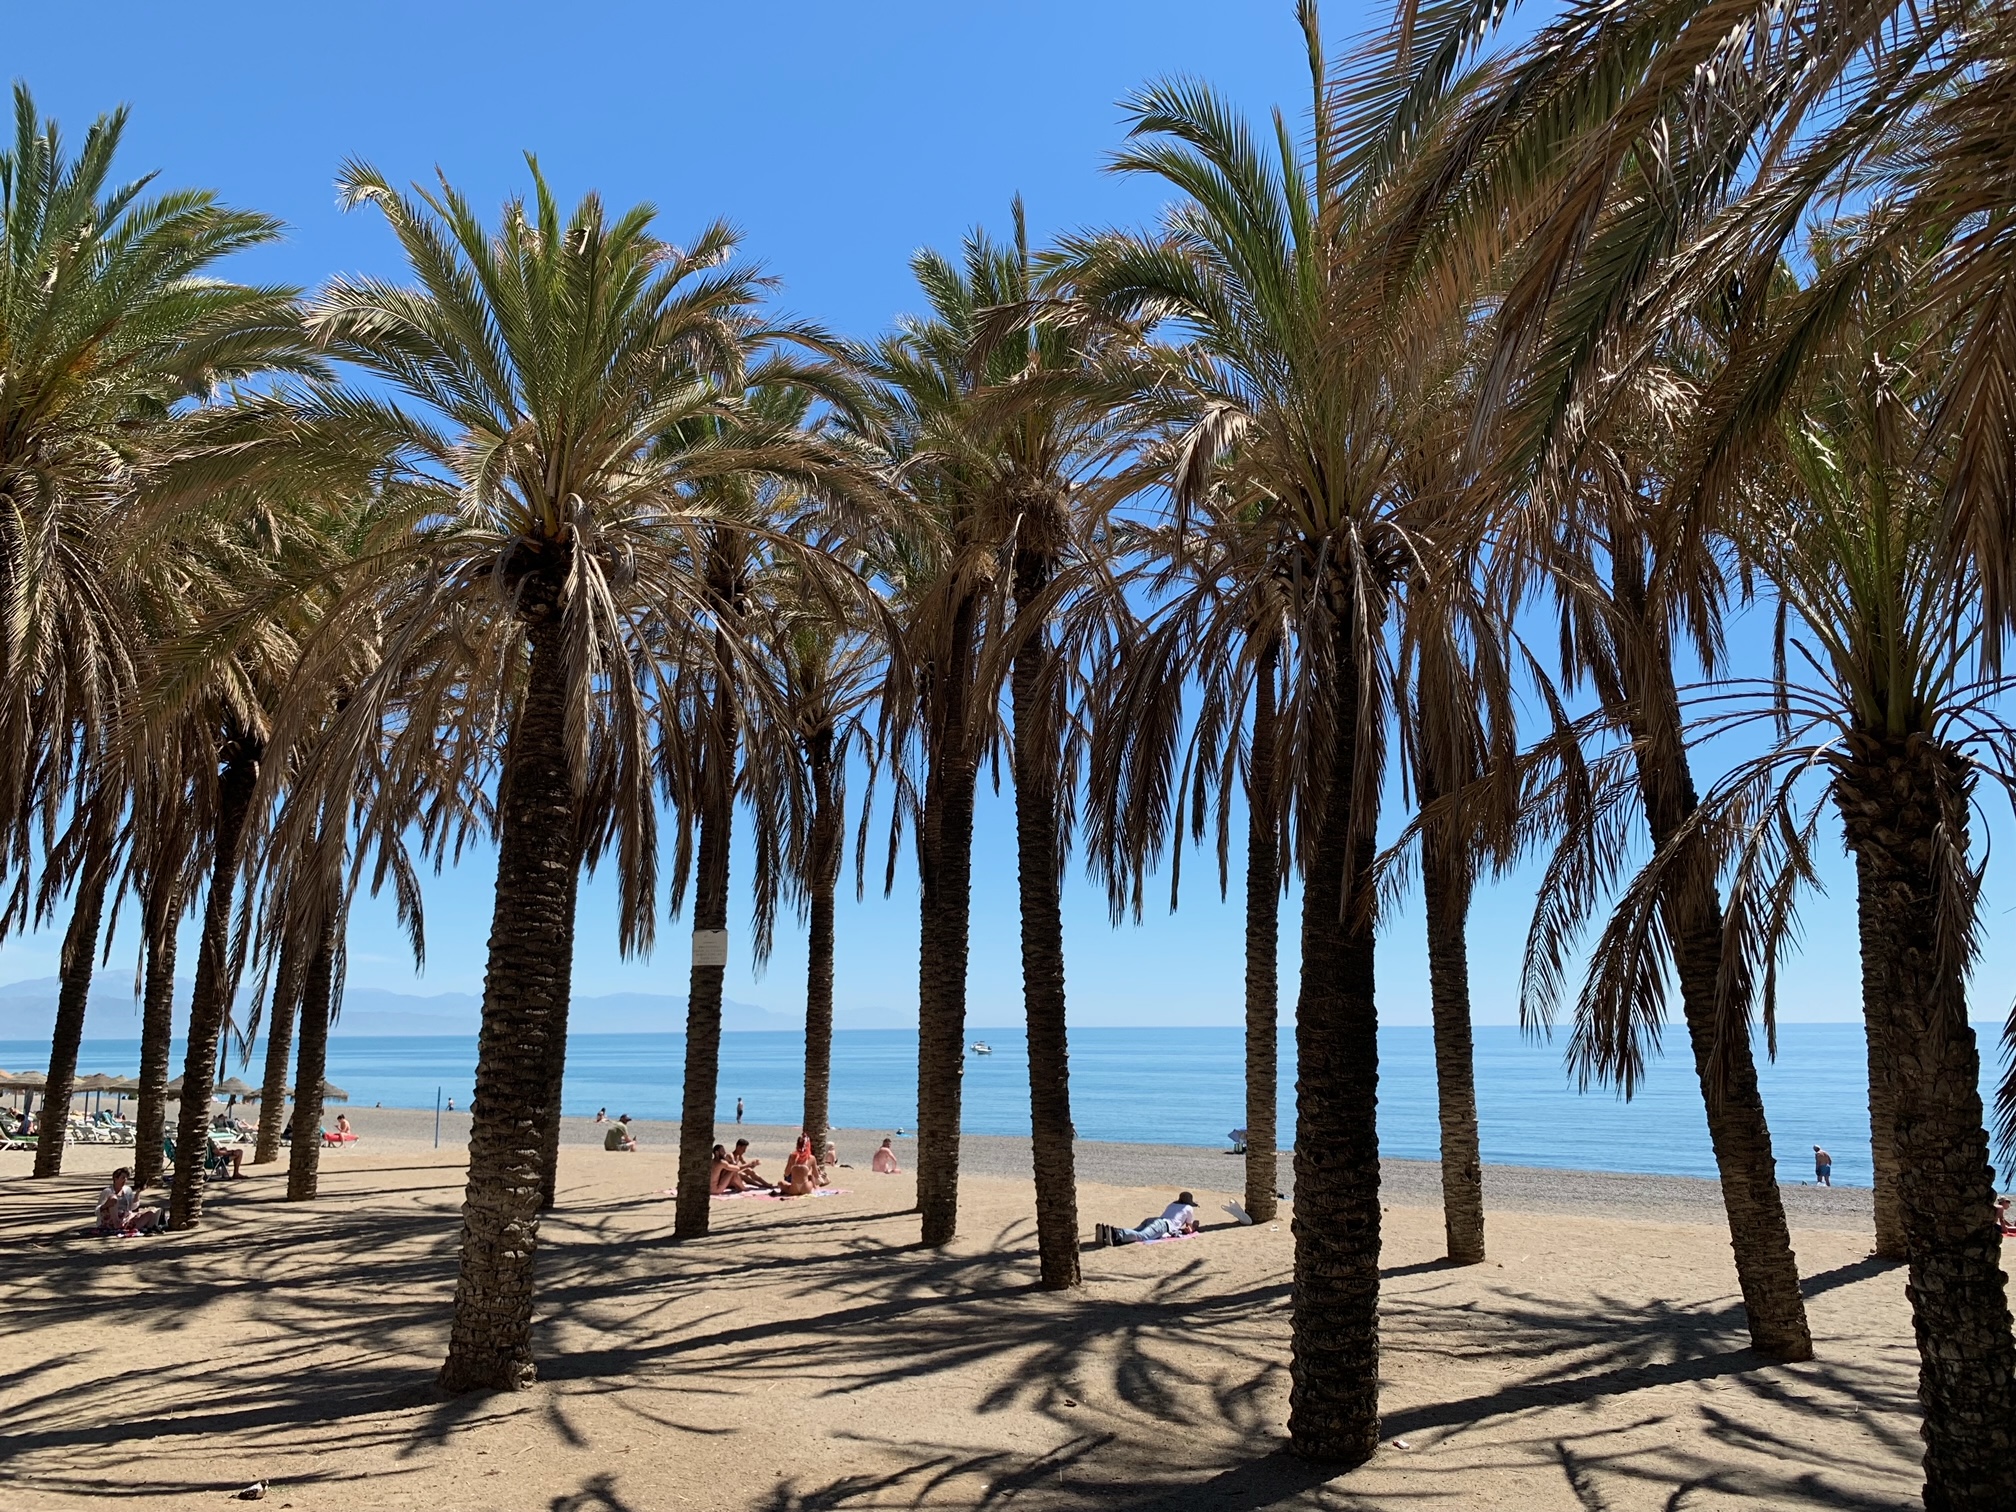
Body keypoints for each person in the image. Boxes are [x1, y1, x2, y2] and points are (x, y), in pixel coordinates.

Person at [1096, 1192, 1201, 1248]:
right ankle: (1116, 1233)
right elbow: (1189, 1227)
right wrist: (1195, 1226)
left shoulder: (1173, 1204)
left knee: (1136, 1232)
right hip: (1163, 1225)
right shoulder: (1188, 1208)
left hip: (1155, 1220)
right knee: (1142, 1236)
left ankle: (1109, 1232)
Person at [96, 1169, 159, 1237]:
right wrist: (106, 1205)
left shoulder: (127, 1190)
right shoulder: (107, 1191)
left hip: (126, 1218)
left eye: (126, 1178)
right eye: (123, 1178)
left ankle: (136, 1229)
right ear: (116, 1178)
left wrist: (138, 1193)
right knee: (113, 1198)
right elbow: (97, 1210)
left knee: (151, 1213)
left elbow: (132, 1207)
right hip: (112, 1219)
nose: (125, 1180)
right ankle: (117, 1225)